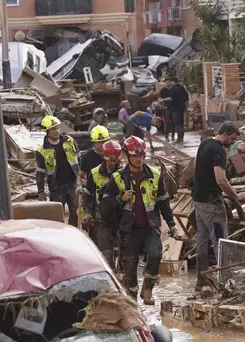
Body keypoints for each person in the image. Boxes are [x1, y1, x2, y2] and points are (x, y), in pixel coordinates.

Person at [100, 136, 177, 305]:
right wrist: (121, 199)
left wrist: (171, 224)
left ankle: (147, 289)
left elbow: (164, 202)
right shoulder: (118, 178)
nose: (138, 158)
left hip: (150, 225)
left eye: (141, 155)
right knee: (130, 264)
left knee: (156, 255)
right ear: (127, 156)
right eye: (135, 155)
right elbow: (105, 205)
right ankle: (133, 296)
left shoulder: (154, 175)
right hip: (128, 228)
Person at [192, 121, 245, 291]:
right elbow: (221, 180)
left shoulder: (204, 143)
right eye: (231, 138)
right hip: (212, 204)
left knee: (202, 240)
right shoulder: (218, 151)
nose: (232, 142)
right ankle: (225, 283)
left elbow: (197, 167)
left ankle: (201, 280)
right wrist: (236, 196)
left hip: (198, 201)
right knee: (220, 242)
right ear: (225, 134)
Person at [82, 140, 123, 268]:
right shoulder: (95, 173)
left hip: (123, 218)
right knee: (106, 254)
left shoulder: (126, 173)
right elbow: (88, 196)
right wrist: (88, 213)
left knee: (126, 254)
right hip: (102, 219)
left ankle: (125, 281)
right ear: (104, 158)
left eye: (115, 160)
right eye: (109, 160)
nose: (112, 163)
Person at [36, 115, 80, 227]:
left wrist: (81, 179)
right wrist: (41, 191)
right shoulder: (42, 151)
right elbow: (40, 173)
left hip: (72, 184)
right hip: (56, 188)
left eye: (57, 128)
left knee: (75, 212)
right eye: (53, 129)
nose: (56, 131)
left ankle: (73, 235)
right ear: (47, 131)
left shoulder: (69, 141)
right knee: (57, 216)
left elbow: (79, 159)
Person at [160, 77, 189, 143]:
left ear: (173, 81)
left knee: (177, 123)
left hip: (175, 109)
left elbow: (170, 98)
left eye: (170, 81)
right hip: (182, 108)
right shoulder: (182, 87)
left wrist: (163, 100)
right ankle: (181, 138)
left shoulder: (173, 89)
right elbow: (186, 98)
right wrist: (186, 107)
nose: (170, 83)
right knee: (181, 123)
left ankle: (179, 138)